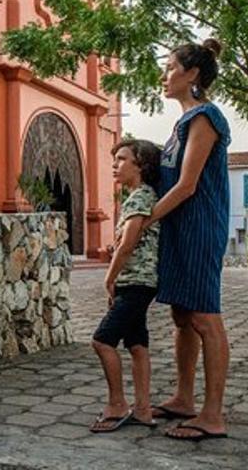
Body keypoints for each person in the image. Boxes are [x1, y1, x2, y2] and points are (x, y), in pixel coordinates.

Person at [145, 39, 232, 441]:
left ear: (192, 73)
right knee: (182, 315)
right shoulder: (182, 123)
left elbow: (187, 185)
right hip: (180, 227)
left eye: (169, 67)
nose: (164, 76)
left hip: (198, 225)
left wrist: (144, 219)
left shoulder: (205, 118)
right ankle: (184, 398)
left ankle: (212, 415)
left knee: (203, 317)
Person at [89, 139, 163, 433]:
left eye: (122, 160)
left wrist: (109, 278)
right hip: (138, 282)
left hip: (135, 282)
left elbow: (128, 243)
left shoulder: (140, 197)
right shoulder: (138, 196)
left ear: (140, 165)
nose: (115, 165)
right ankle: (143, 410)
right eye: (115, 159)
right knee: (136, 344)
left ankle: (117, 403)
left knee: (102, 341)